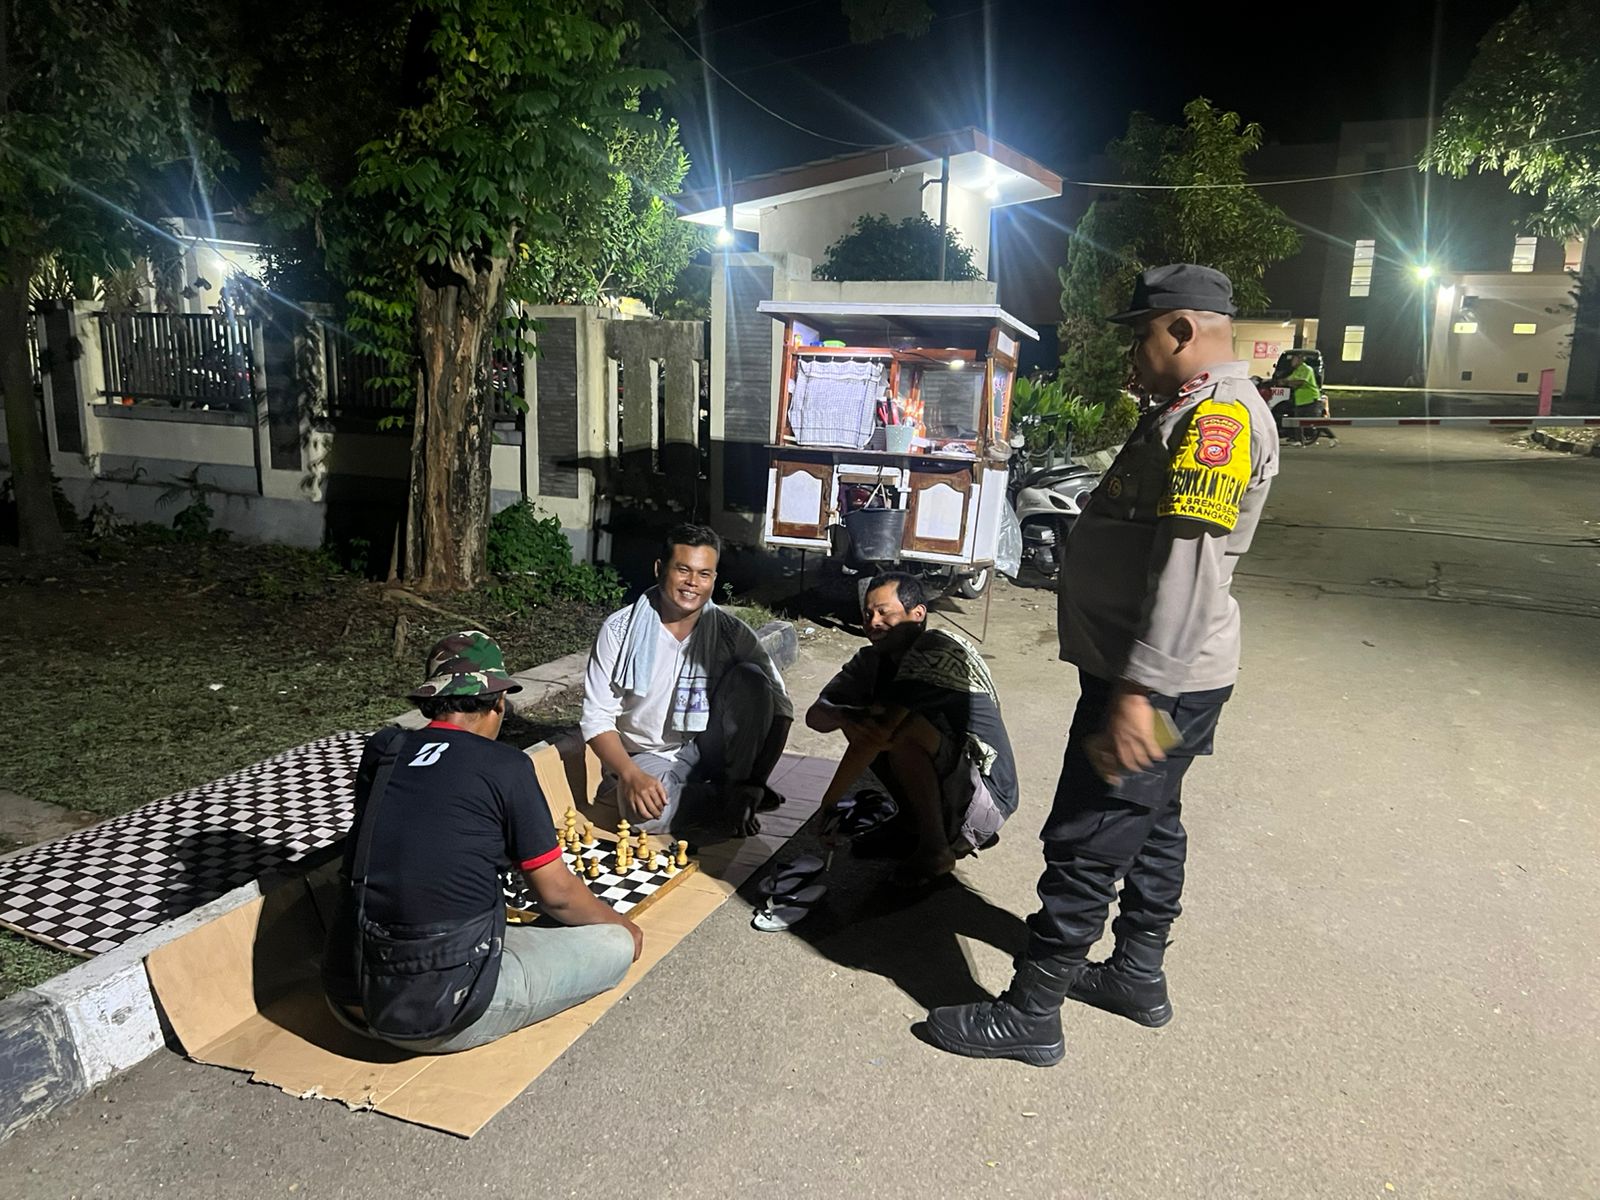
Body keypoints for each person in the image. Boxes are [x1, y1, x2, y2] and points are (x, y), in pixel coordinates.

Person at [924, 264, 1279, 1066]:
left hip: (1153, 682)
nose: (1133, 353)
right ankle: (1136, 974)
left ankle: (1032, 1012)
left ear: (1181, 329)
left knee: (1091, 833)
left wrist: (1140, 689)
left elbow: (1190, 566)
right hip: (1158, 675)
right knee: (1150, 821)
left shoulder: (1218, 422)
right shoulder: (1192, 409)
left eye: (1140, 336)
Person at [323, 631, 642, 1053]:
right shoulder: (505, 766)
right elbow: (557, 895)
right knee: (613, 944)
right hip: (440, 1014)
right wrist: (622, 925)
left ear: (433, 700)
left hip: (348, 993)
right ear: (498, 703)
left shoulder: (384, 749)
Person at [581, 523, 794, 840]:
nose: (693, 583)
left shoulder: (730, 632)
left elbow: (781, 708)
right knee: (641, 814)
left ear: (714, 579)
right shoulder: (619, 631)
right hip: (645, 755)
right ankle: (732, 801)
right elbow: (596, 718)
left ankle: (739, 791)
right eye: (683, 570)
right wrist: (629, 774)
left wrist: (755, 780)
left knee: (752, 678)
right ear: (659, 569)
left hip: (707, 747)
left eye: (704, 574)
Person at [807, 571, 1020, 884]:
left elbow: (879, 734)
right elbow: (816, 716)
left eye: (884, 613)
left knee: (899, 730)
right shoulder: (871, 660)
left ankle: (937, 850)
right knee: (861, 722)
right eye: (868, 614)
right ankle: (912, 822)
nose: (873, 622)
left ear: (917, 614)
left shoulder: (936, 649)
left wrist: (828, 804)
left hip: (985, 798)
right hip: (951, 780)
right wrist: (846, 716)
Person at [1270, 352, 1331, 446]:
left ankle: (1332, 437)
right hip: (1301, 400)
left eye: (1294, 359)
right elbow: (1288, 380)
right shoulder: (1297, 370)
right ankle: (1299, 441)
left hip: (1311, 399)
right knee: (1297, 420)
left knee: (1314, 421)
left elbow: (1300, 382)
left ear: (1300, 360)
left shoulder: (1306, 369)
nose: (1292, 361)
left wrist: (1287, 382)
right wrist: (1281, 382)